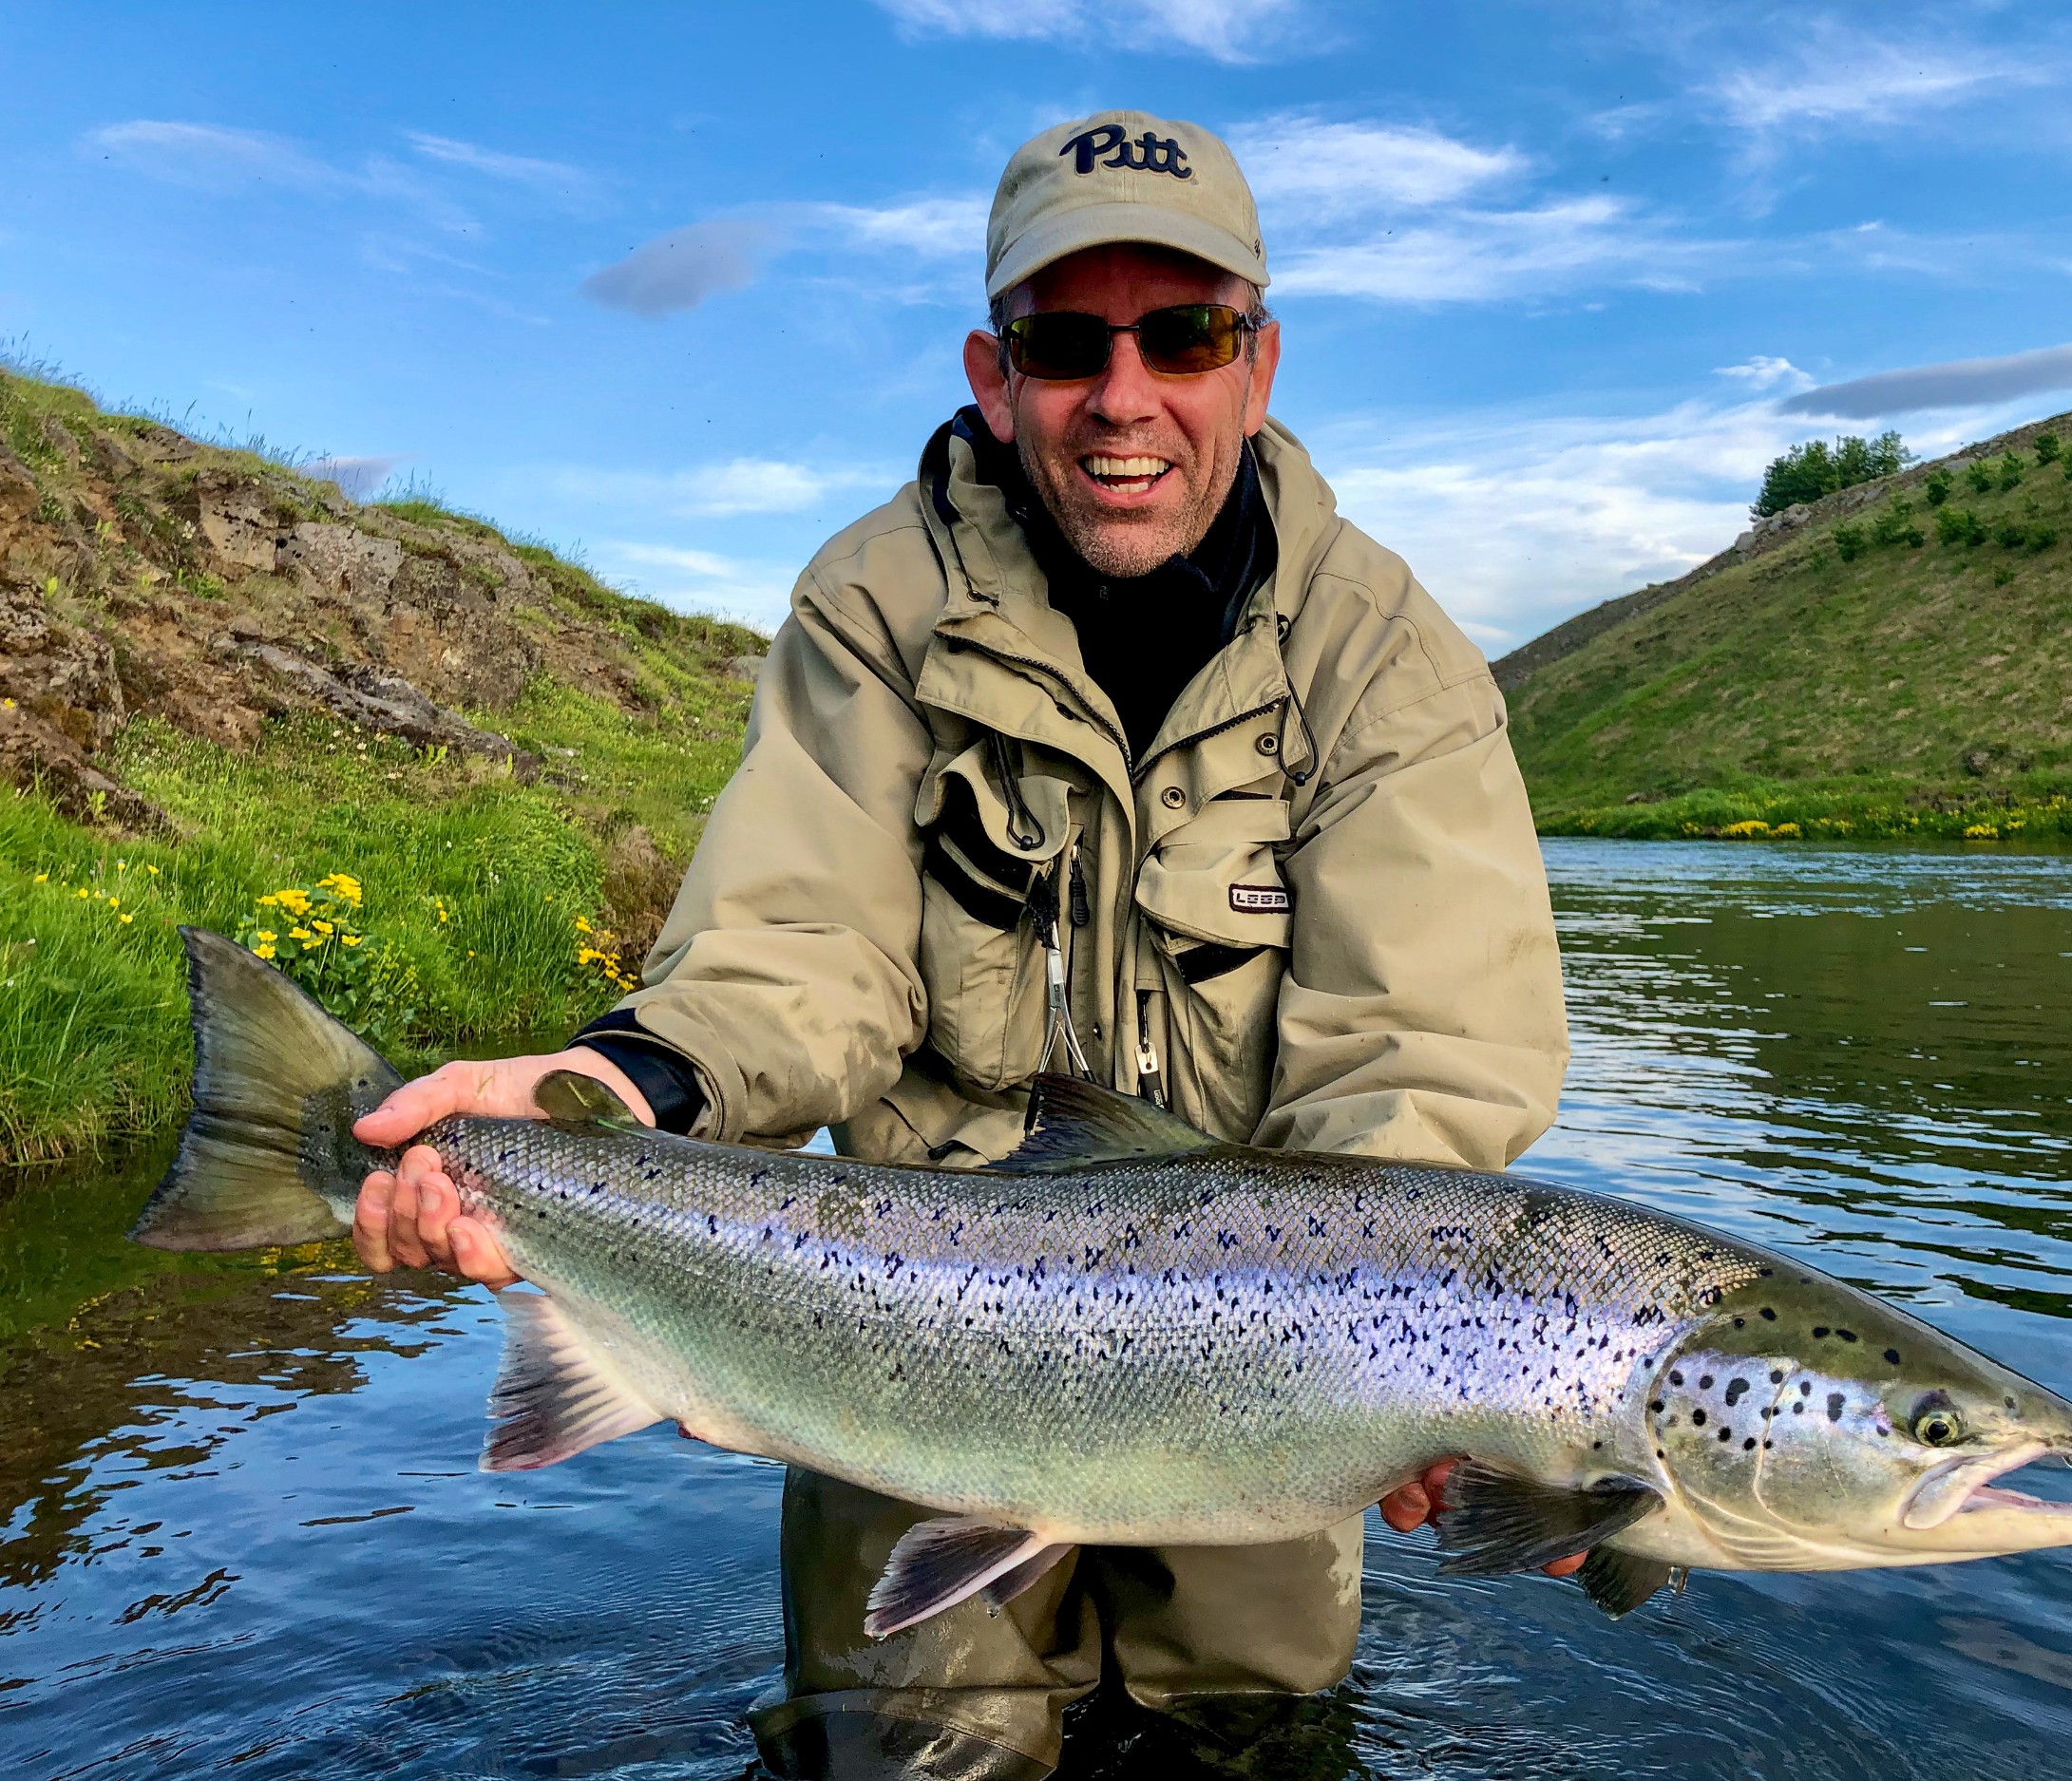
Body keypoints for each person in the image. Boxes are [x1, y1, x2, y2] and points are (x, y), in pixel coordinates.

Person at [349, 110, 1570, 1780]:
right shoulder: (876, 601)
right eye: (1070, 343)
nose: (1124, 395)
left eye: (1186, 335)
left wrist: (1438, 1383)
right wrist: (615, 1080)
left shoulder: (1392, 662)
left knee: (1251, 1745)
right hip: (911, 1330)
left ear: (1259, 362)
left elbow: (1425, 1057)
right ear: (998, 378)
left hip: (1280, 1376)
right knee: (908, 1750)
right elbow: (804, 942)